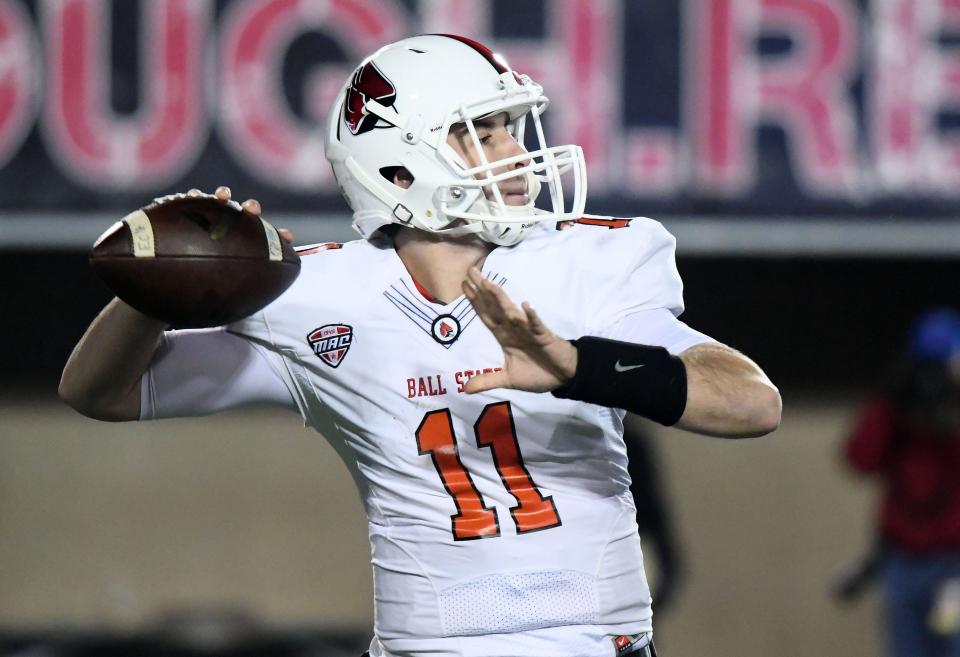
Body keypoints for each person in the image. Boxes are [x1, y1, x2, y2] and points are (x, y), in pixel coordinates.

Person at [59, 34, 781, 657]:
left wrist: (577, 365)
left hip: (594, 639)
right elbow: (99, 391)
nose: (517, 152)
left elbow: (750, 401)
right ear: (400, 170)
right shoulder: (314, 294)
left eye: (510, 126)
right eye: (485, 131)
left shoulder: (589, 261)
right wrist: (155, 292)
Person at [843, 308, 960, 657]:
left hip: (954, 564)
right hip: (903, 561)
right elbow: (860, 458)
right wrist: (892, 401)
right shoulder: (897, 409)